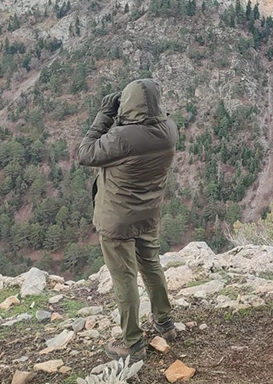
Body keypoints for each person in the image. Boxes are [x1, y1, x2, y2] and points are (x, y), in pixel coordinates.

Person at [78, 78, 179, 361]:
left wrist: (105, 115)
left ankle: (132, 343)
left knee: (124, 278)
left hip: (117, 219)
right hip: (148, 213)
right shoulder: (169, 130)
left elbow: (85, 153)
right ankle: (165, 324)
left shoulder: (122, 137)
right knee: (151, 266)